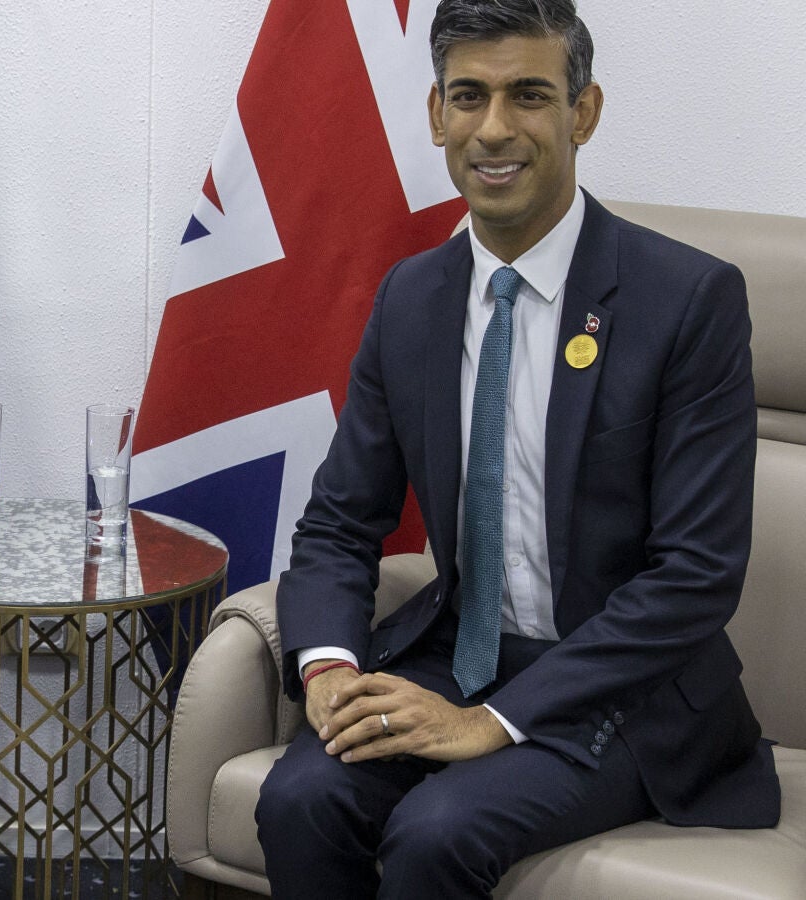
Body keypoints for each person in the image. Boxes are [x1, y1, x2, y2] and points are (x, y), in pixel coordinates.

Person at [254, 1, 780, 896]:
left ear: (584, 112)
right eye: (469, 96)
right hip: (460, 653)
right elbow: (340, 523)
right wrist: (331, 668)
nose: (493, 129)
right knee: (300, 798)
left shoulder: (688, 300)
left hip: (624, 686)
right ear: (437, 115)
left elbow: (695, 574)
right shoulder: (412, 296)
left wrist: (492, 721)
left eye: (529, 95)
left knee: (437, 833)